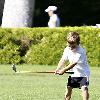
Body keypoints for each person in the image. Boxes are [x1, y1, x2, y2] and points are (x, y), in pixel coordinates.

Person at [55, 32, 90, 100]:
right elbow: (63, 59)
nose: (70, 47)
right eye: (69, 44)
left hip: (83, 73)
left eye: (73, 45)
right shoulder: (67, 49)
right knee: (68, 89)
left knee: (84, 88)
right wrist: (58, 68)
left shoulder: (80, 51)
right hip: (74, 73)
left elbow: (73, 64)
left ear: (78, 43)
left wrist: (63, 70)